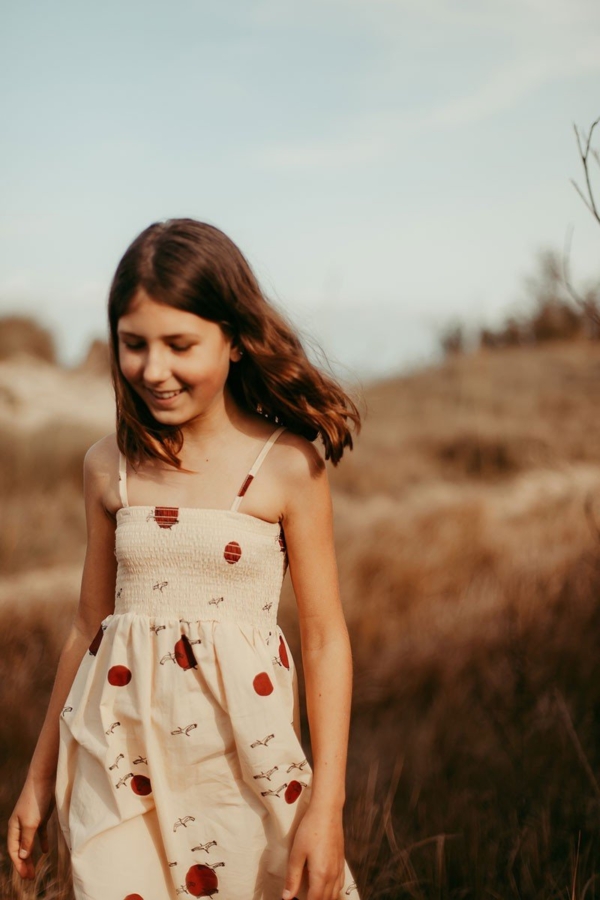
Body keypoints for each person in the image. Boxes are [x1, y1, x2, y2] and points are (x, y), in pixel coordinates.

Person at [7, 218, 363, 900]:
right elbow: (86, 628)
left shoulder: (288, 467)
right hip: (117, 769)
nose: (154, 369)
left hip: (244, 774)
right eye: (134, 344)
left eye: (180, 345)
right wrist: (38, 779)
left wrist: (329, 803)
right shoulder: (107, 466)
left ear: (234, 340)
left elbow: (324, 638)